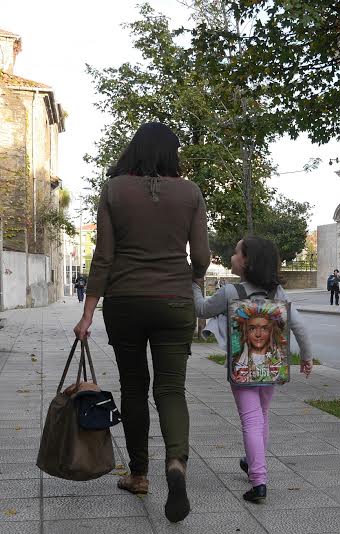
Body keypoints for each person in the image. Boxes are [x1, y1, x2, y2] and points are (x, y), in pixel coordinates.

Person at [73, 122, 210, 523]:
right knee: (171, 388)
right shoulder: (190, 193)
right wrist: (192, 278)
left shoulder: (114, 190)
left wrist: (86, 314)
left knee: (134, 386)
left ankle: (138, 474)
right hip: (174, 303)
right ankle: (176, 465)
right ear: (172, 154)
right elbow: (200, 255)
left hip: (126, 302)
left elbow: (103, 258)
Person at [193, 236, 313, 503]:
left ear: (247, 261)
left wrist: (194, 284)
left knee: (251, 420)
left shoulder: (230, 293)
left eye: (236, 252)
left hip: (243, 368)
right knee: (261, 415)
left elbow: (200, 309)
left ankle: (259, 480)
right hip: (270, 367)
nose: (232, 256)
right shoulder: (277, 294)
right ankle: (251, 460)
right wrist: (306, 357)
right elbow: (299, 326)